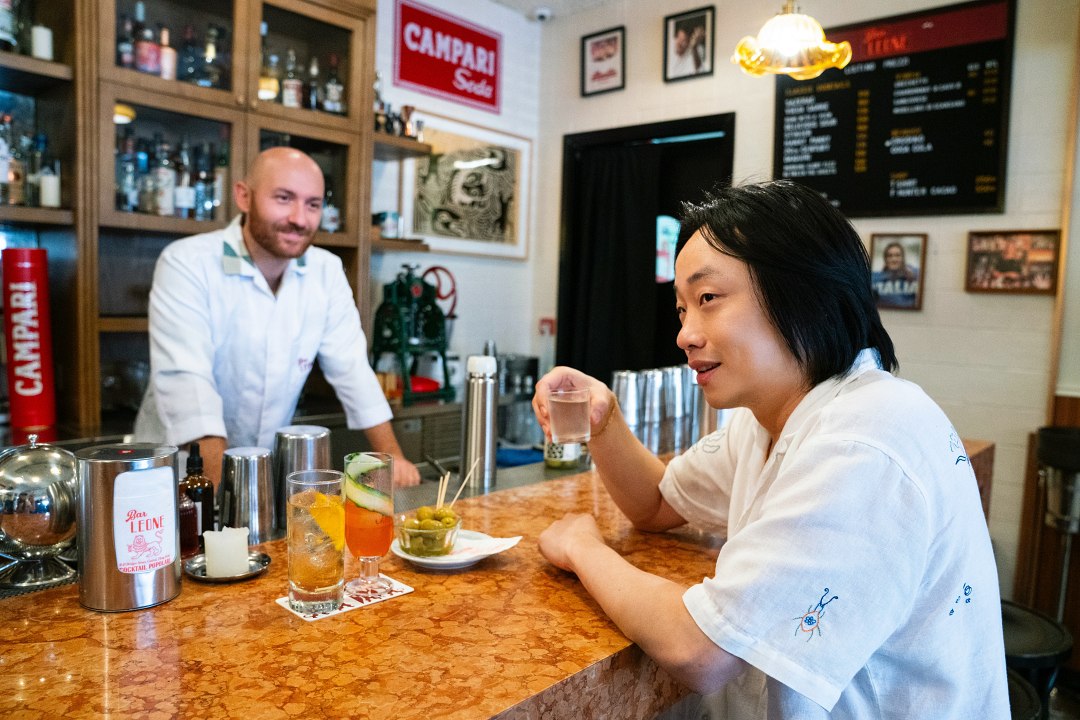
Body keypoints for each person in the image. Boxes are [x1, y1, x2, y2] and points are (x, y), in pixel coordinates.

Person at [532, 180, 1008, 717]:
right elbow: (658, 504)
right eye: (682, 309)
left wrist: (582, 548)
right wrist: (604, 421)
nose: (685, 334)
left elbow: (700, 650)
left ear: (802, 295)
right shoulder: (768, 419)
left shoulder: (863, 439)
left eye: (708, 299)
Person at [134, 146, 421, 489]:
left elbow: (353, 370)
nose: (300, 218)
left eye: (313, 204)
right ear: (244, 196)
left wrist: (394, 459)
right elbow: (189, 385)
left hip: (261, 476)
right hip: (179, 472)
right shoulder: (187, 262)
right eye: (284, 198)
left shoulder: (326, 271)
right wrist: (222, 496)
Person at [871, 241, 919, 308]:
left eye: (897, 255)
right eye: (890, 256)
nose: (894, 259)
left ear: (903, 258)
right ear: (885, 259)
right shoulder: (876, 278)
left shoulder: (913, 275)